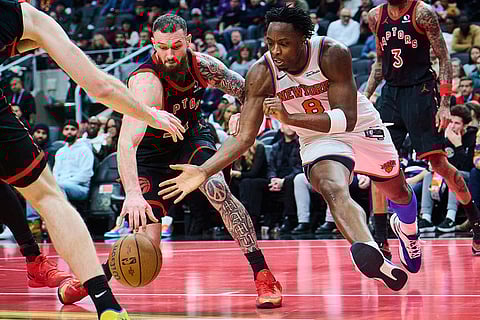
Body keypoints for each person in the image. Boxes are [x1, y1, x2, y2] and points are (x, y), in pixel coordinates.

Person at [158, 6, 423, 292]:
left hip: (358, 126)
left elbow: (345, 118)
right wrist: (203, 170)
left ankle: (408, 230)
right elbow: (245, 137)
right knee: (332, 188)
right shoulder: (262, 72)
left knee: (397, 190)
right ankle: (368, 248)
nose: (276, 51)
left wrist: (289, 118)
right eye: (270, 44)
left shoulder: (331, 53)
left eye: (284, 44)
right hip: (317, 139)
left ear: (303, 40)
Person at [58, 13, 283, 309]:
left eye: (176, 46)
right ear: (153, 44)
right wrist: (134, 195)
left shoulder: (202, 65)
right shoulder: (146, 83)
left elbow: (249, 91)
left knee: (217, 189)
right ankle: (95, 280)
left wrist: (244, 111)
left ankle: (263, 273)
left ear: (188, 41)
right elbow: (126, 142)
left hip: (191, 138)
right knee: (146, 249)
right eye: (162, 47)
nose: (169, 54)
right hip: (151, 156)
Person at [0, 1, 186, 319]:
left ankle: (34, 260)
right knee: (47, 196)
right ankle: (106, 303)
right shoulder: (18, 13)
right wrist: (149, 114)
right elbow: (99, 87)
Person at [363, 0, 480, 255]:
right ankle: (381, 238)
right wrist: (364, 95)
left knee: (438, 164)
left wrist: (445, 104)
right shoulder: (375, 16)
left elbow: (444, 59)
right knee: (379, 166)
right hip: (391, 95)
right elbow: (380, 63)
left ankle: (476, 221)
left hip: (421, 91)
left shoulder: (423, 13)